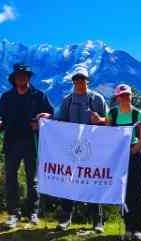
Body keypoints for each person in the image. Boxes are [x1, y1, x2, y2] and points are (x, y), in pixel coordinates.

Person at [39, 67, 108, 232]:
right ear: (73, 82)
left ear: (87, 81)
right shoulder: (67, 100)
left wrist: (101, 119)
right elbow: (60, 120)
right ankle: (65, 219)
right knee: (68, 181)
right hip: (72, 149)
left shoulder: (97, 99)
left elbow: (108, 121)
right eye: (76, 79)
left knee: (93, 182)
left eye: (82, 79)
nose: (79, 82)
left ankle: (98, 221)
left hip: (93, 148)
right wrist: (48, 119)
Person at [0, 64, 54, 229]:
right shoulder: (7, 97)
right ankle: (13, 213)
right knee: (11, 179)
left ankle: (32, 212)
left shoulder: (38, 95)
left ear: (29, 77)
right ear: (14, 78)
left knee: (32, 179)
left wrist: (45, 117)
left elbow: (51, 113)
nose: (22, 78)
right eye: (19, 75)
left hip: (32, 142)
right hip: (11, 143)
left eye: (25, 75)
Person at [106, 84, 141, 241]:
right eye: (121, 95)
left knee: (136, 190)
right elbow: (108, 135)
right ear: (117, 98)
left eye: (127, 95)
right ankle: (128, 226)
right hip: (119, 155)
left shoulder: (139, 114)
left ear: (131, 96)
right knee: (123, 191)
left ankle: (140, 228)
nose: (124, 98)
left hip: (135, 153)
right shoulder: (112, 113)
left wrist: (132, 151)